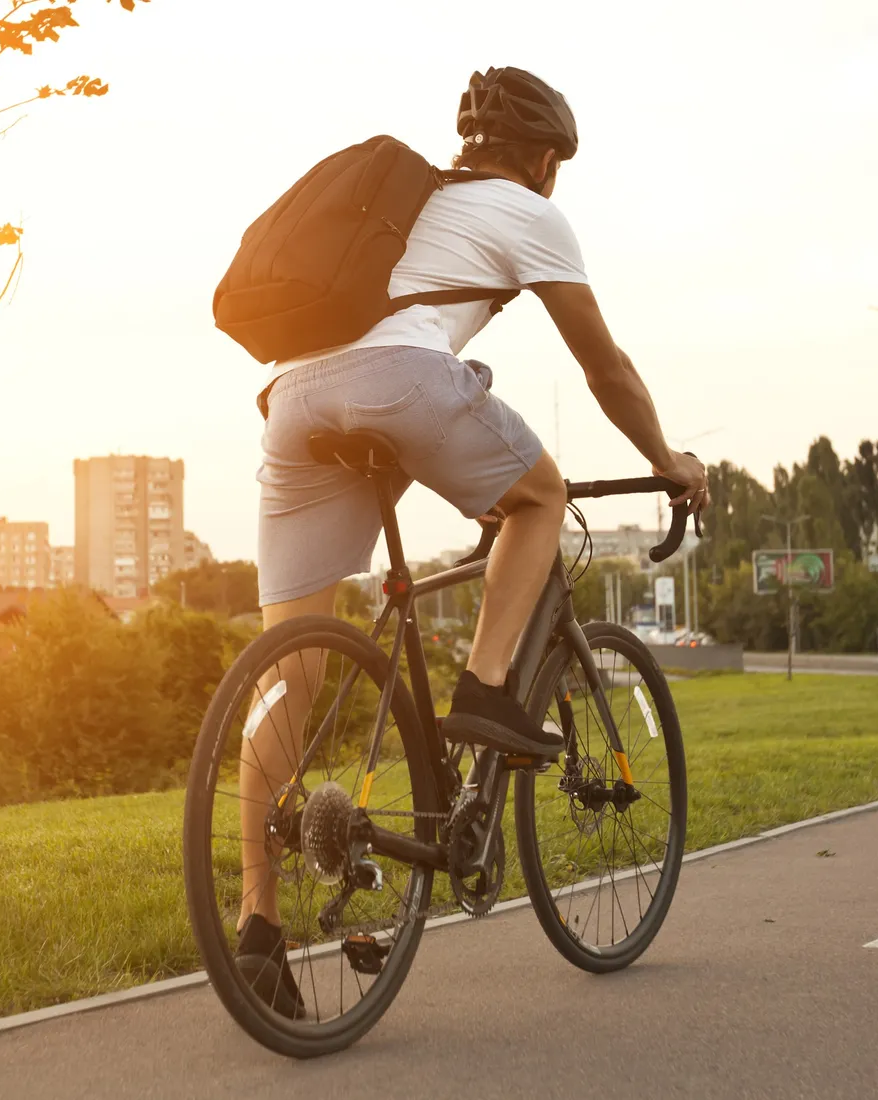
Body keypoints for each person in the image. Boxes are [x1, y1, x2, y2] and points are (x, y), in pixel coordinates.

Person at [234, 66, 709, 1013]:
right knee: (542, 498)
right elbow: (604, 366)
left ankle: (256, 928)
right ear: (546, 162)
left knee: (288, 676)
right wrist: (669, 461)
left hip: (291, 399)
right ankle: (488, 691)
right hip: (399, 380)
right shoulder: (529, 210)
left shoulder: (415, 205)